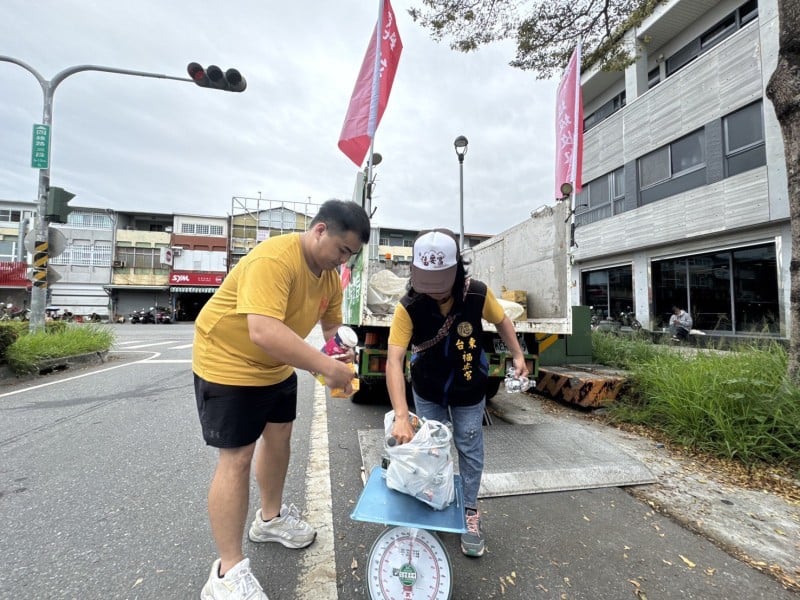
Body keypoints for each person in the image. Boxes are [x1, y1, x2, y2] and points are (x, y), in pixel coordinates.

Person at [193, 199, 370, 600]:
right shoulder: (274, 259)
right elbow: (264, 331)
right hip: (228, 361)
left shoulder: (328, 275)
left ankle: (269, 521)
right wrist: (325, 369)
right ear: (320, 230)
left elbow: (332, 328)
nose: (345, 260)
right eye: (343, 250)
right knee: (236, 457)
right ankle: (226, 572)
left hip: (275, 366)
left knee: (281, 435)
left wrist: (341, 353)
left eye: (352, 256)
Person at [385, 228, 528, 558]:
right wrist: (402, 417)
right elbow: (393, 361)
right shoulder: (408, 306)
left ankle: (469, 510)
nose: (434, 291)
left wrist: (518, 354)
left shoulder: (477, 294)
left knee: (469, 445)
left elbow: (502, 320)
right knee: (430, 450)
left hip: (469, 387)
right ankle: (432, 505)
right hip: (428, 388)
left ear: (457, 271)